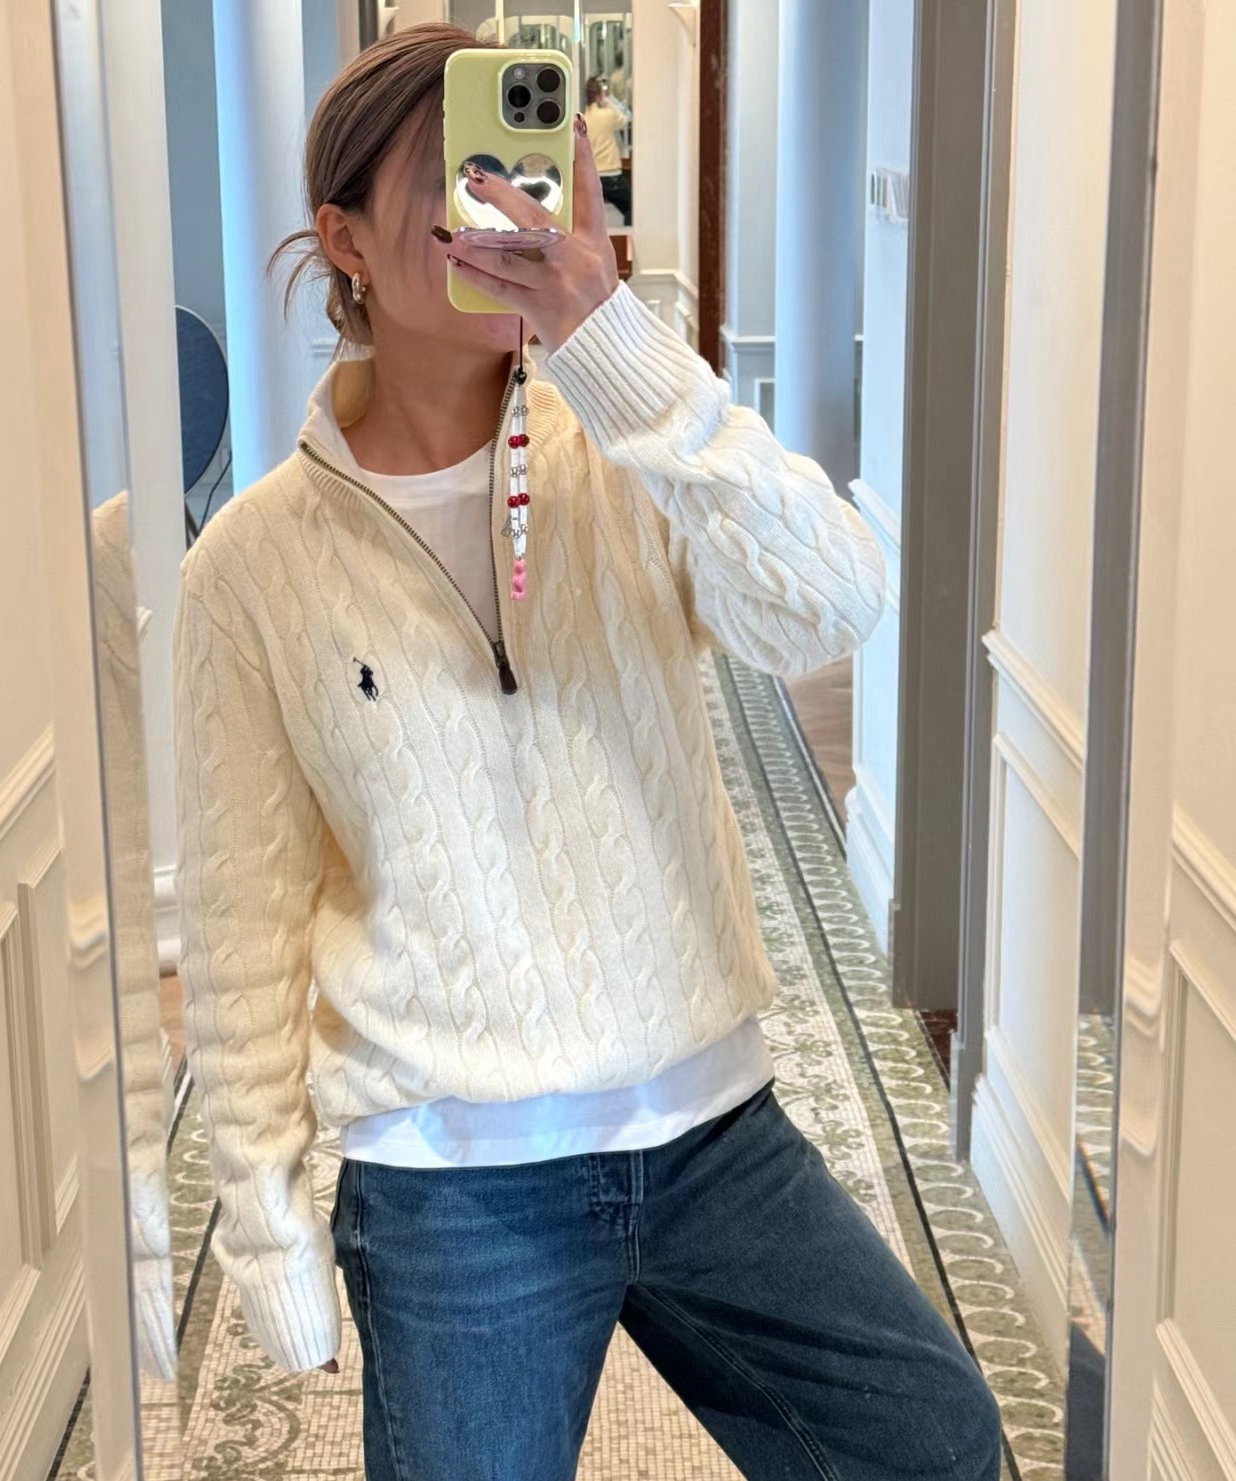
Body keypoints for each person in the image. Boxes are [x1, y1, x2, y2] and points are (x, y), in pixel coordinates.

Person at [172, 22, 1002, 1481]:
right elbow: (244, 916)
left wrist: (616, 348)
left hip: (709, 1128)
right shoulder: (252, 565)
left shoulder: (625, 458)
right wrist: (265, 1222)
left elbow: (832, 602)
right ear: (345, 239)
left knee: (929, 1440)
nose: (508, 209)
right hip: (451, 1181)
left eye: (530, 171)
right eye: (456, 179)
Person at [582, 73, 631, 224]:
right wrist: (608, 101)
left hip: (593, 176)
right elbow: (625, 118)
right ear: (599, 95)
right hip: (612, 174)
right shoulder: (608, 115)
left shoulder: (584, 118)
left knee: (591, 217)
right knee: (632, 209)